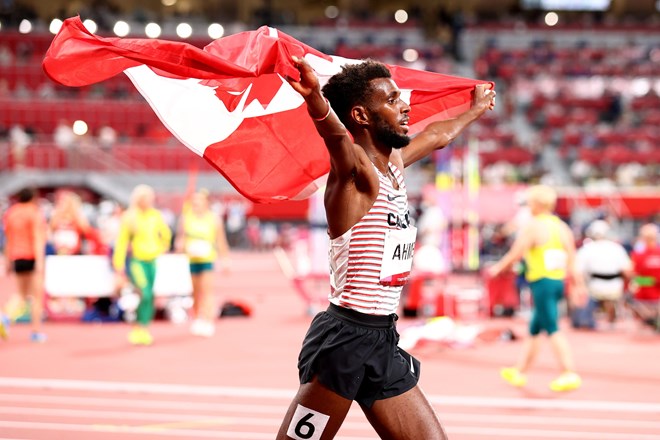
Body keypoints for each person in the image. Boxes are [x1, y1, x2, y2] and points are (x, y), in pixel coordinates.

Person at [275, 58, 495, 440]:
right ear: (361, 115)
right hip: (344, 340)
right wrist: (315, 102)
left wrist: (475, 108)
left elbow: (438, 135)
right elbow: (338, 139)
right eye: (392, 100)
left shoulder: (393, 165)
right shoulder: (354, 174)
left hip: (382, 338)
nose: (405, 106)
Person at [489, 185, 586, 392]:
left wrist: (498, 269)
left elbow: (516, 253)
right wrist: (578, 284)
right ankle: (519, 371)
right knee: (534, 328)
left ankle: (569, 372)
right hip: (557, 282)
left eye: (531, 203)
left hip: (542, 282)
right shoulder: (561, 226)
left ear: (538, 204)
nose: (529, 207)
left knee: (552, 327)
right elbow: (572, 257)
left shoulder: (534, 226)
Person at [113, 185, 172, 346]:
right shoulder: (130, 217)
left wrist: (162, 247)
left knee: (151, 295)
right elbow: (122, 241)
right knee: (144, 293)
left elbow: (166, 234)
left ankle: (144, 328)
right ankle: (138, 326)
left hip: (152, 261)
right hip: (137, 261)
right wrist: (118, 264)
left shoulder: (155, 215)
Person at [175, 190, 230, 337]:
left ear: (206, 203)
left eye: (199, 201)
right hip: (192, 259)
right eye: (194, 202)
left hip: (207, 259)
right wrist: (180, 245)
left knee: (207, 291)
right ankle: (198, 317)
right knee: (195, 292)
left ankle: (208, 319)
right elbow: (181, 238)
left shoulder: (214, 219)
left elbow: (221, 241)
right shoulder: (186, 218)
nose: (196, 204)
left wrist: (225, 260)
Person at [1, 188, 47, 342]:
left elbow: (8, 240)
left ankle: (5, 316)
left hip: (17, 257)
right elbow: (37, 238)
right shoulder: (33, 213)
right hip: (31, 257)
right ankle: (35, 331)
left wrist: (7, 261)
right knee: (36, 296)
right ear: (33, 198)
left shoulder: (11, 213)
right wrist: (40, 262)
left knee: (21, 294)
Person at [573, 220, 631, 329]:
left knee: (585, 292)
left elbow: (577, 272)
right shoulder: (617, 248)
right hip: (615, 288)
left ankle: (584, 318)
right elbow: (627, 271)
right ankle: (609, 316)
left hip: (595, 288)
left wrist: (580, 287)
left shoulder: (586, 249)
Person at [628, 223, 660, 331]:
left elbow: (632, 275)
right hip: (649, 296)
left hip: (643, 296)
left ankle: (650, 320)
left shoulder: (637, 255)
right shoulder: (638, 255)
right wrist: (654, 281)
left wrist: (647, 281)